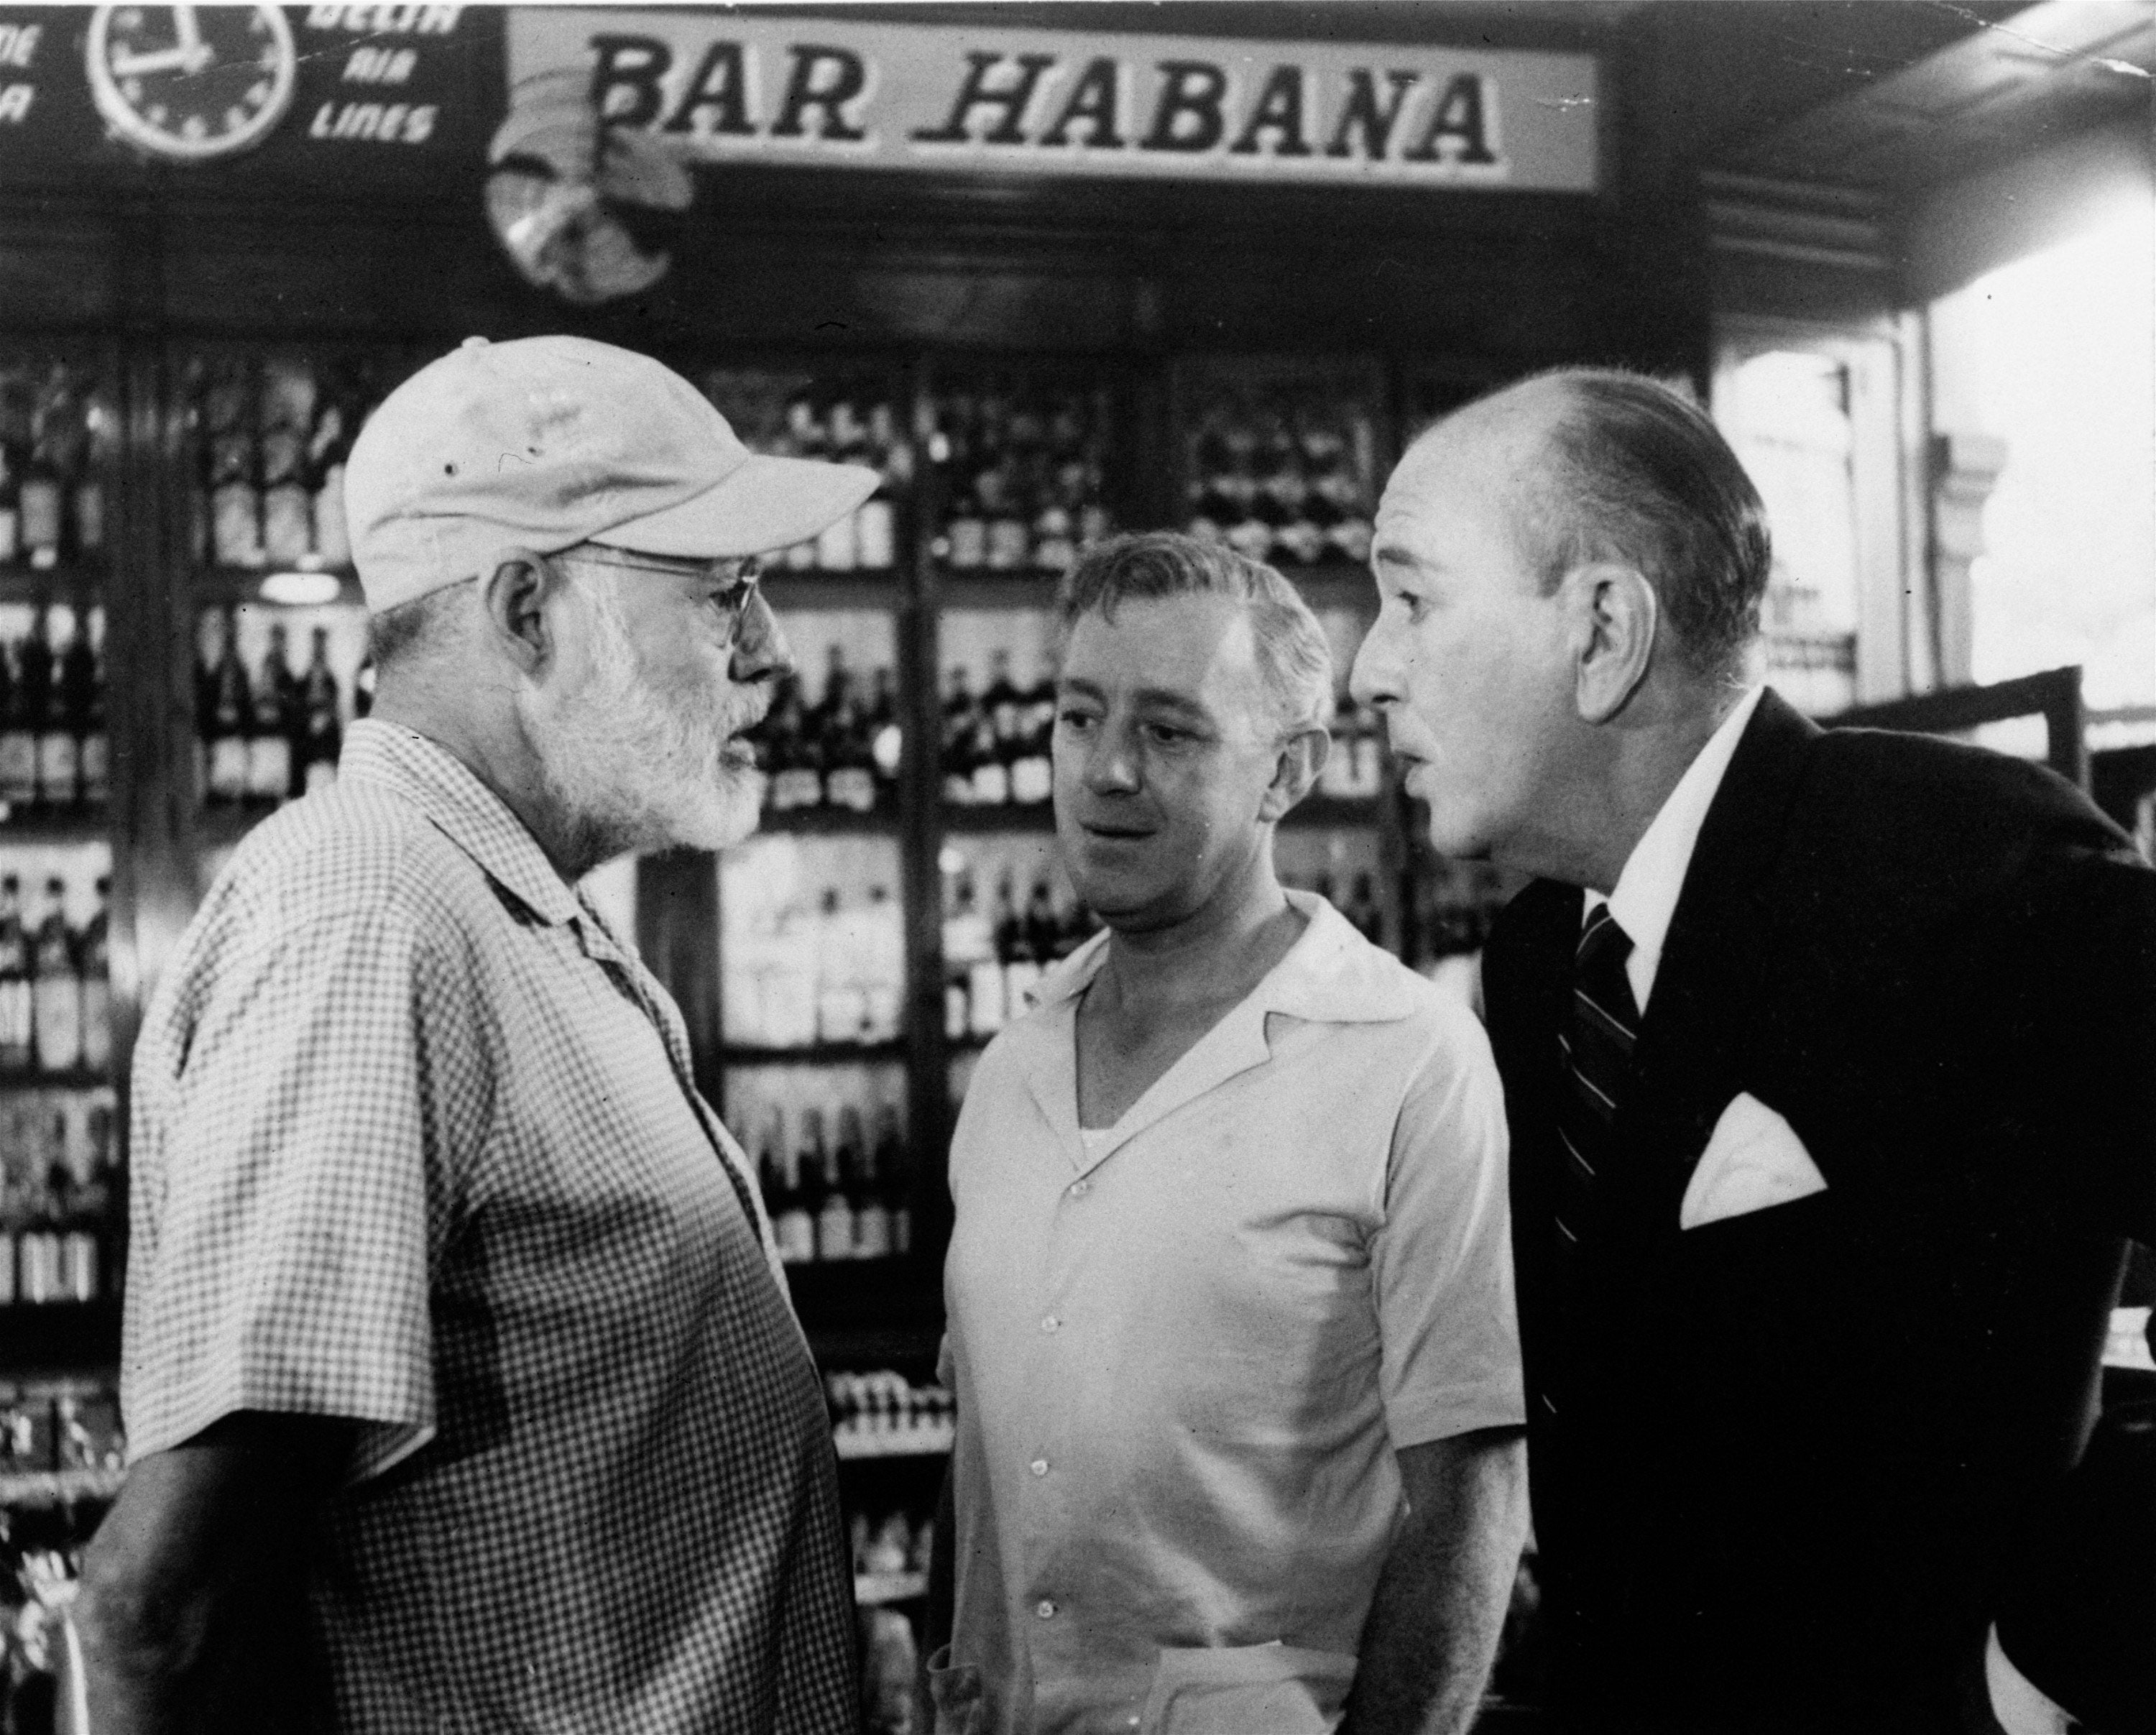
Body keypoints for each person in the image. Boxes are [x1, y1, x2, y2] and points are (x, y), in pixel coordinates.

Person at [74, 336, 880, 1734]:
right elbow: (161, 1604)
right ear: (526, 610)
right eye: (723, 589)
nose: (770, 650)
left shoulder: (506, 908)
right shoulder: (371, 911)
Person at [1349, 367, 2156, 1734]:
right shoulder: (1542, 953)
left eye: (1412, 598)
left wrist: (2052, 1661)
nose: (1370, 666)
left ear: (1602, 629)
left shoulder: (1974, 866)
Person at [932, 531, 1529, 1735]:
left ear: (1289, 770)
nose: (1104, 770)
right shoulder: (1012, 1066)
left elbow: (1469, 1505)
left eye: (1169, 730)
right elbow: (984, 1456)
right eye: (1076, 716)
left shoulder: (1409, 1056)